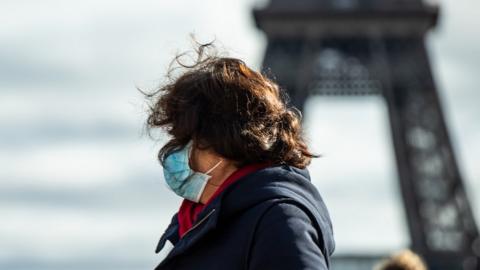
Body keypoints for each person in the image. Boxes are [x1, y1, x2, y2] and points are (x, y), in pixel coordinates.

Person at [141, 40, 335, 270]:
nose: (175, 150)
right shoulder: (202, 222)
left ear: (224, 141)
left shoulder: (278, 220)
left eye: (186, 139)